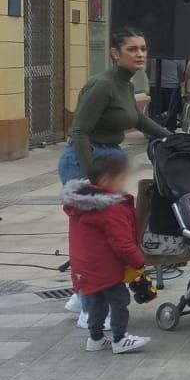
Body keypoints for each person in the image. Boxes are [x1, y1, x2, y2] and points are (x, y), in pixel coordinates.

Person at [63, 152, 150, 355]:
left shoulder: (80, 203)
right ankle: (120, 338)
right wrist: (138, 261)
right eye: (121, 179)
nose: (123, 184)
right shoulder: (110, 208)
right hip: (106, 267)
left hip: (85, 265)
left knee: (96, 303)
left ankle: (95, 338)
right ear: (106, 180)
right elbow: (121, 243)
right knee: (119, 300)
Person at [60, 27, 168, 182]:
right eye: (132, 49)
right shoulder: (102, 85)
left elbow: (139, 119)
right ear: (115, 53)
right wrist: (92, 177)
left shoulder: (126, 84)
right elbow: (79, 133)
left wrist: (173, 137)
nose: (140, 54)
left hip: (111, 157)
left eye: (143, 49)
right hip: (87, 159)